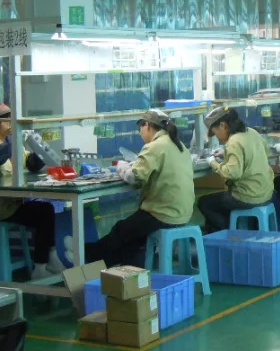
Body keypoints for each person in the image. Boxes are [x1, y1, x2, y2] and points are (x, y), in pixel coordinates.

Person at [65, 110, 194, 267]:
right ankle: (99, 265)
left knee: (121, 230)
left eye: (140, 128)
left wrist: (121, 166)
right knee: (132, 241)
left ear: (147, 125)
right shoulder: (179, 145)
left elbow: (134, 178)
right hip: (183, 212)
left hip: (163, 213)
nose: (140, 133)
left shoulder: (154, 146)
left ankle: (86, 255)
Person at [0, 103, 59, 279]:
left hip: (15, 203)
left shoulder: (17, 146)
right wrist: (15, 137)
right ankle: (40, 268)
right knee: (44, 212)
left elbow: (34, 165)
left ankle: (50, 259)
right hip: (0, 208)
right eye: (7, 120)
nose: (11, 123)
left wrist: (37, 144)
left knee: (46, 209)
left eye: (13, 120)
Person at [197, 107, 274, 233]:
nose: (217, 137)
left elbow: (232, 173)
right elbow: (265, 151)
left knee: (205, 203)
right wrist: (226, 153)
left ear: (223, 125)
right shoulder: (251, 132)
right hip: (266, 192)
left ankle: (230, 232)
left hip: (248, 196)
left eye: (215, 132)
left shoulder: (233, 142)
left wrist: (212, 162)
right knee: (221, 202)